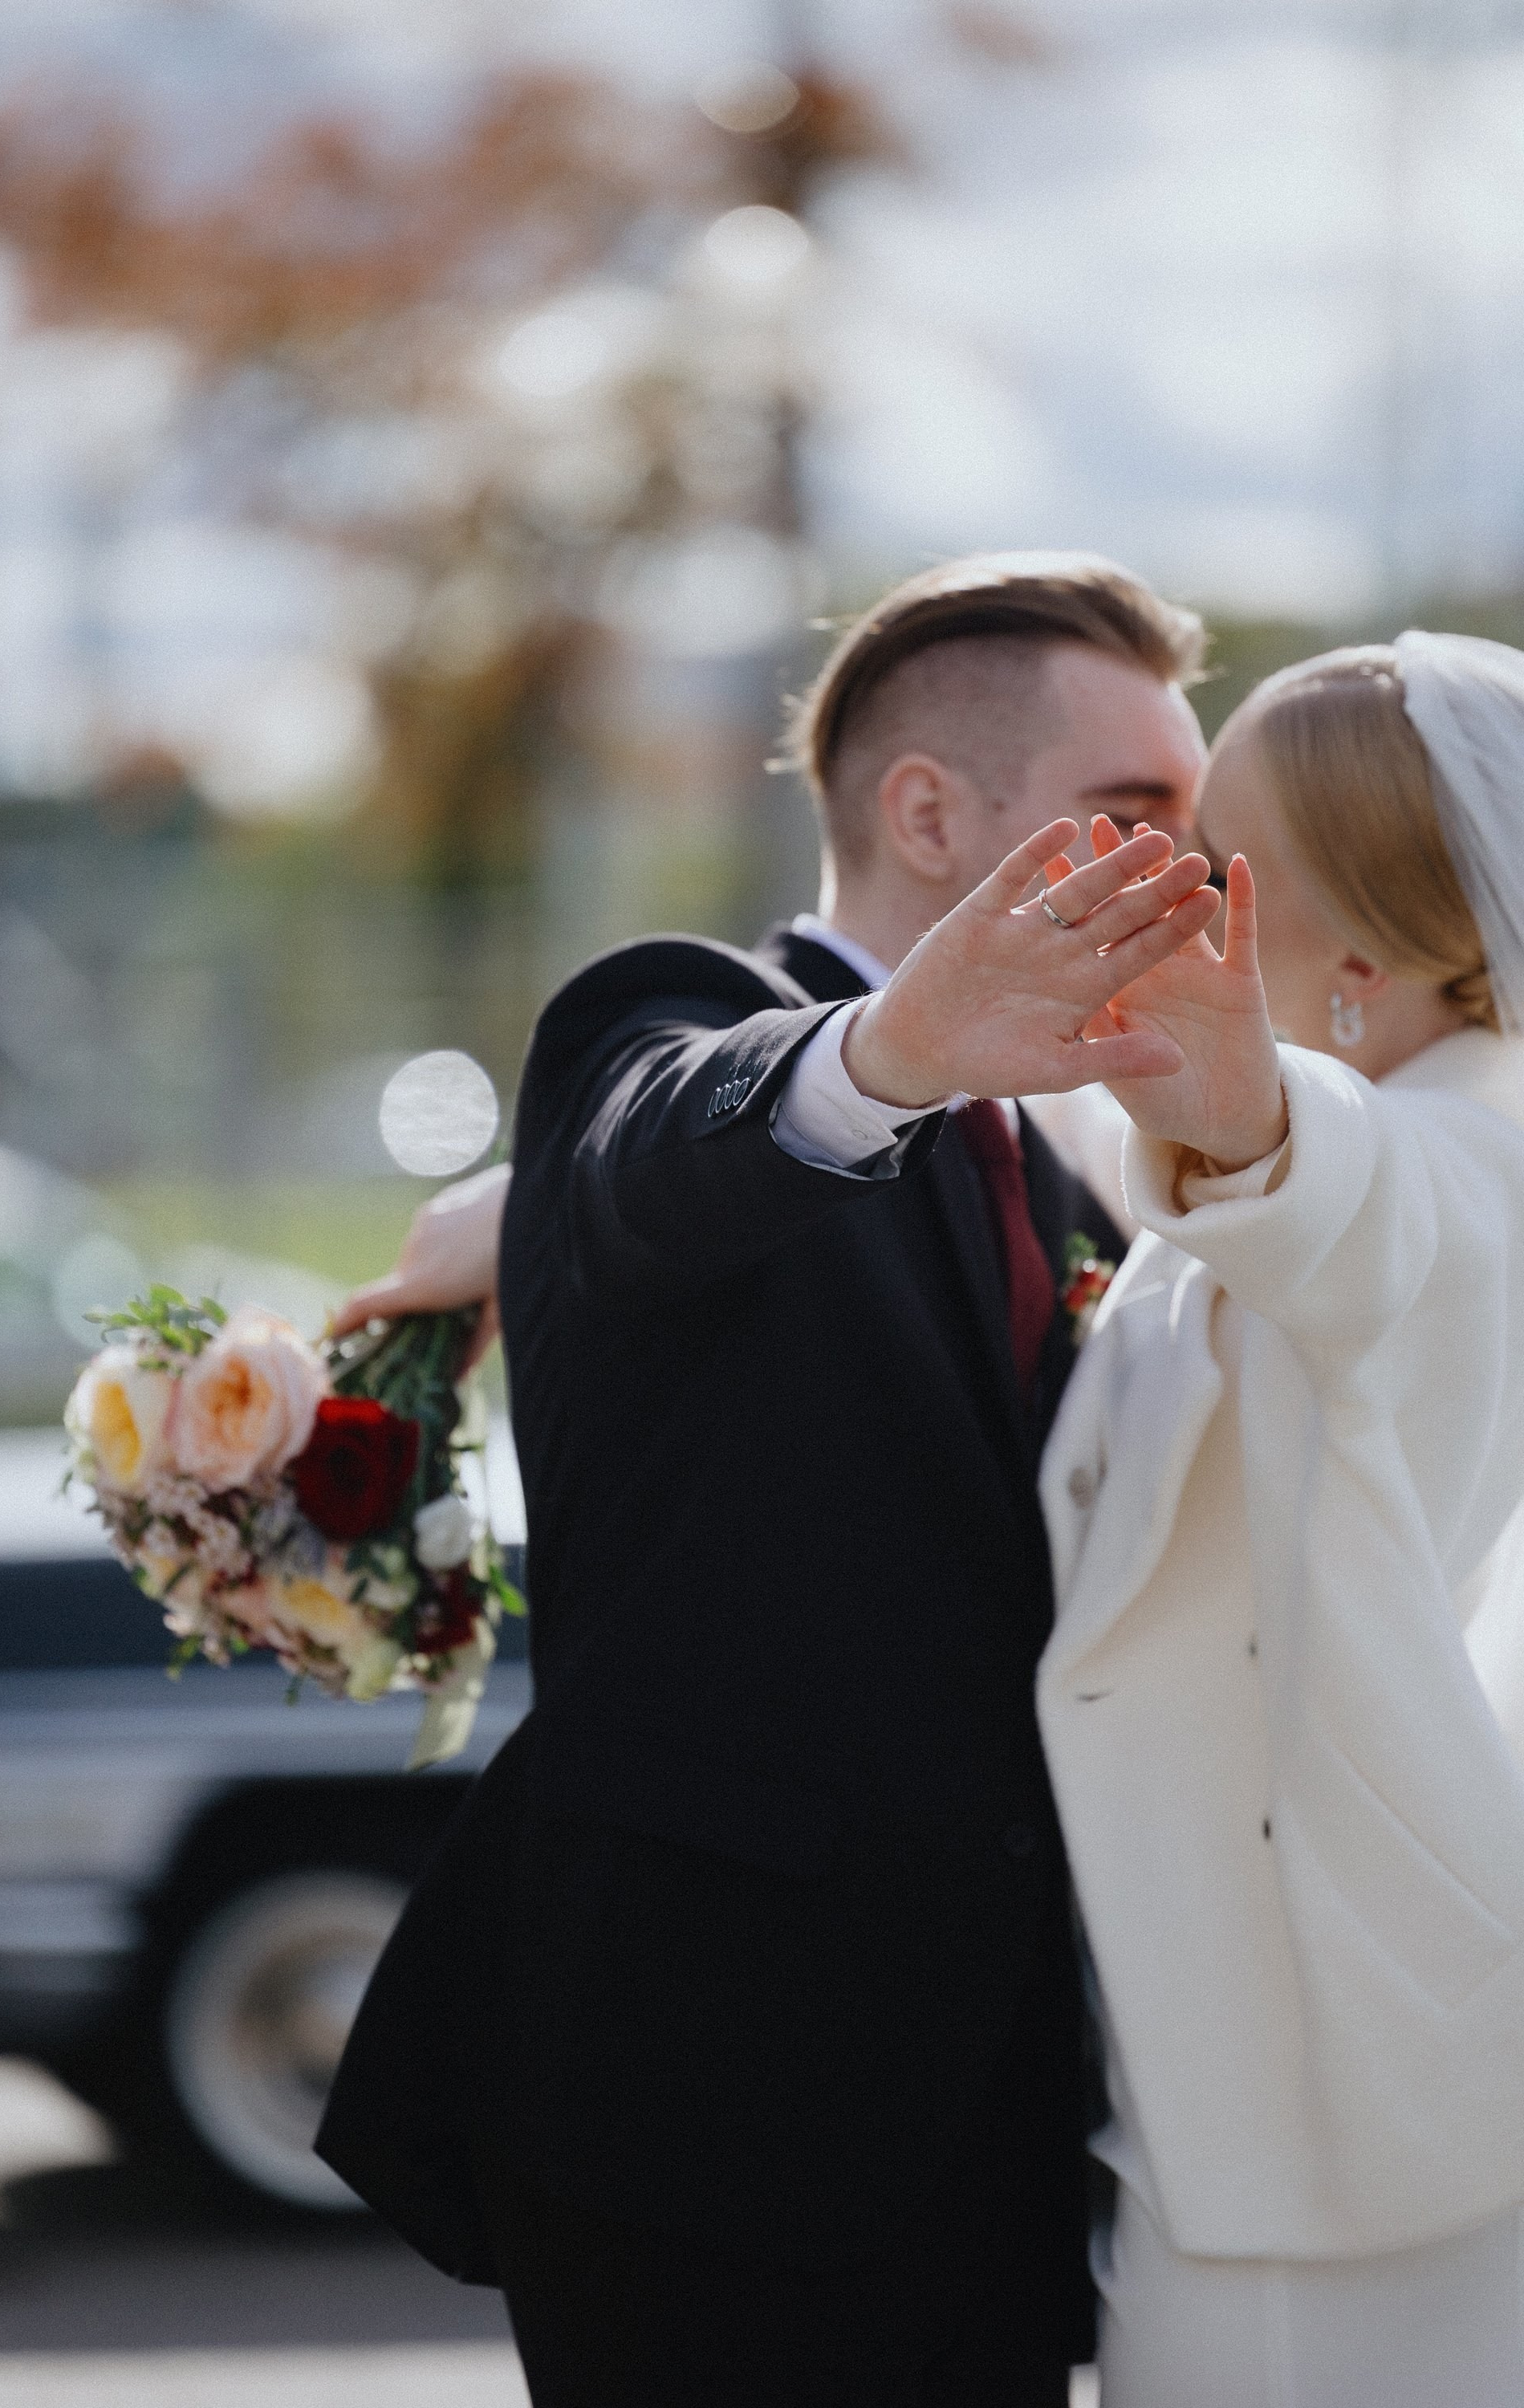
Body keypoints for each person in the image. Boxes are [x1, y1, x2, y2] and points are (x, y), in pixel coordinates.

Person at [316, 551, 1214, 2407]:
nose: (1184, 874)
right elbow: (652, 1149)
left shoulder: (1051, 1175)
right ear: (925, 809)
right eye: (1132, 818)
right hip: (697, 2110)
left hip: (997, 2122)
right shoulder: (669, 1020)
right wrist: (885, 1055)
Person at [1030, 635, 1524, 2404]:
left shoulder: (1467, 1158)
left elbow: (1348, 1204)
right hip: (1225, 2066)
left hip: (1361, 2118)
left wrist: (1245, 1116)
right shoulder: (1303, 1119)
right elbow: (1075, 1124)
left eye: (1217, 863)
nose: (1160, 889)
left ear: (1365, 965)